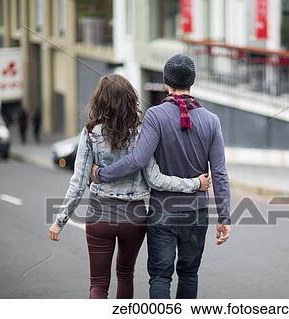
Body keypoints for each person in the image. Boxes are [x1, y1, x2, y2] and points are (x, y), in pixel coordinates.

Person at [48, 74, 211, 299]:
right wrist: (195, 183)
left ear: (100, 100)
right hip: (134, 217)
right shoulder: (141, 133)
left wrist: (59, 221)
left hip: (100, 215)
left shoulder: (90, 133)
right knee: (126, 275)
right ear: (130, 100)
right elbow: (156, 179)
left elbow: (78, 183)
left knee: (98, 284)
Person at [92, 54, 231, 299]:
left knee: (159, 276)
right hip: (196, 214)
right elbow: (219, 173)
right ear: (193, 81)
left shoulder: (155, 116)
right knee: (189, 274)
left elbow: (137, 160)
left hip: (162, 211)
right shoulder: (212, 121)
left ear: (166, 81)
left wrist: (102, 174)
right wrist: (224, 217)